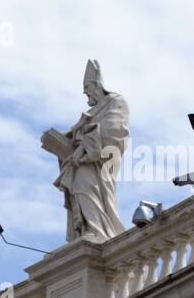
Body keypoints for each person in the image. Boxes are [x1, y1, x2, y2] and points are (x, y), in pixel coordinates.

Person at [41, 59, 129, 243]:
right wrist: (67, 137)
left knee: (89, 188)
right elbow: (81, 133)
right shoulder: (92, 111)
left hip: (98, 162)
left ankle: (98, 229)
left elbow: (112, 131)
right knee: (80, 189)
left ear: (99, 85)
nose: (85, 92)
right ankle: (87, 228)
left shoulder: (115, 102)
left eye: (87, 87)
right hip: (80, 161)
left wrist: (82, 149)